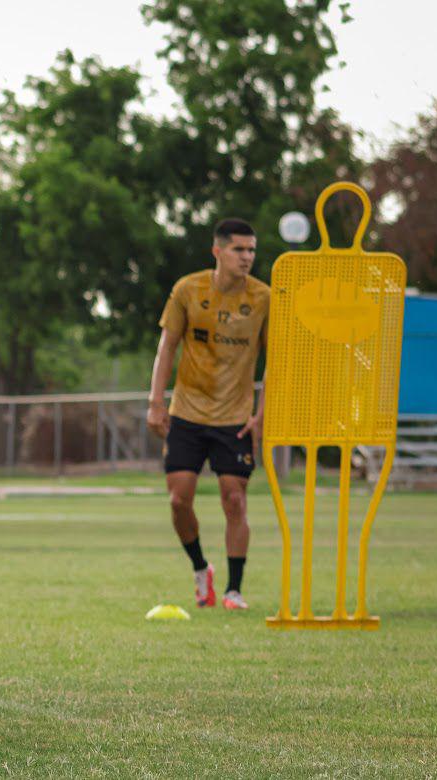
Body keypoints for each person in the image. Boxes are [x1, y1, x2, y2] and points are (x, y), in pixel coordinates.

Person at [146, 218, 268, 611]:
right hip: (187, 413)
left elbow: (277, 361)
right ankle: (202, 569)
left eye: (251, 250)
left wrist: (262, 413)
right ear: (218, 251)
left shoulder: (264, 298)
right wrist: (155, 402)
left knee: (234, 499)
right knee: (179, 501)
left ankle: (234, 590)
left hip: (235, 417)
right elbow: (167, 347)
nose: (247, 257)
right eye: (239, 249)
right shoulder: (188, 289)